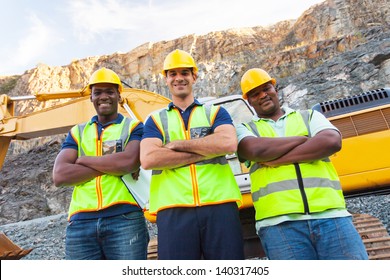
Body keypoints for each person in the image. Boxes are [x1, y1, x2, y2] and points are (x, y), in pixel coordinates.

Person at [236, 68, 368, 260]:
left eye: (266, 88)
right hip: (279, 225)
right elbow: (256, 151)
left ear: (275, 89)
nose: (263, 95)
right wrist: (304, 139)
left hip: (331, 216)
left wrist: (278, 158)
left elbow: (331, 141)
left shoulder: (309, 116)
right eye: (255, 93)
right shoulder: (245, 129)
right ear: (249, 101)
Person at [140, 49, 244, 260]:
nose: (179, 78)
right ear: (166, 79)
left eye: (185, 73)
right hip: (173, 210)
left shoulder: (215, 112)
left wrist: (177, 145)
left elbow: (228, 143)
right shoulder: (155, 120)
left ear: (194, 76)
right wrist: (206, 149)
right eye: (173, 73)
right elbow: (149, 158)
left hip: (220, 205)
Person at [52, 67, 149, 260]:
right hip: (80, 223)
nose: (103, 96)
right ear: (91, 97)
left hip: (125, 218)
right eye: (98, 92)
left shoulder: (134, 126)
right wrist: (112, 165)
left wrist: (82, 160)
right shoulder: (77, 132)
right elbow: (60, 175)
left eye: (109, 92)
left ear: (119, 96)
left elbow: (129, 162)